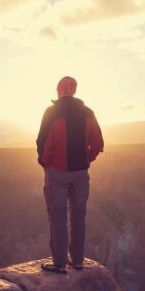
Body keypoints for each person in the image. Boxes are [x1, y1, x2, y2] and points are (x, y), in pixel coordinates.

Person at [36, 76, 104, 273]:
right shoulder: (88, 112)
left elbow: (43, 143)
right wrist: (85, 160)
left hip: (57, 173)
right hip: (81, 174)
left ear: (58, 89)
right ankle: (78, 261)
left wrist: (46, 164)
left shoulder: (51, 112)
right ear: (74, 90)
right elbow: (98, 143)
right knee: (78, 216)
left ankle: (59, 263)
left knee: (58, 217)